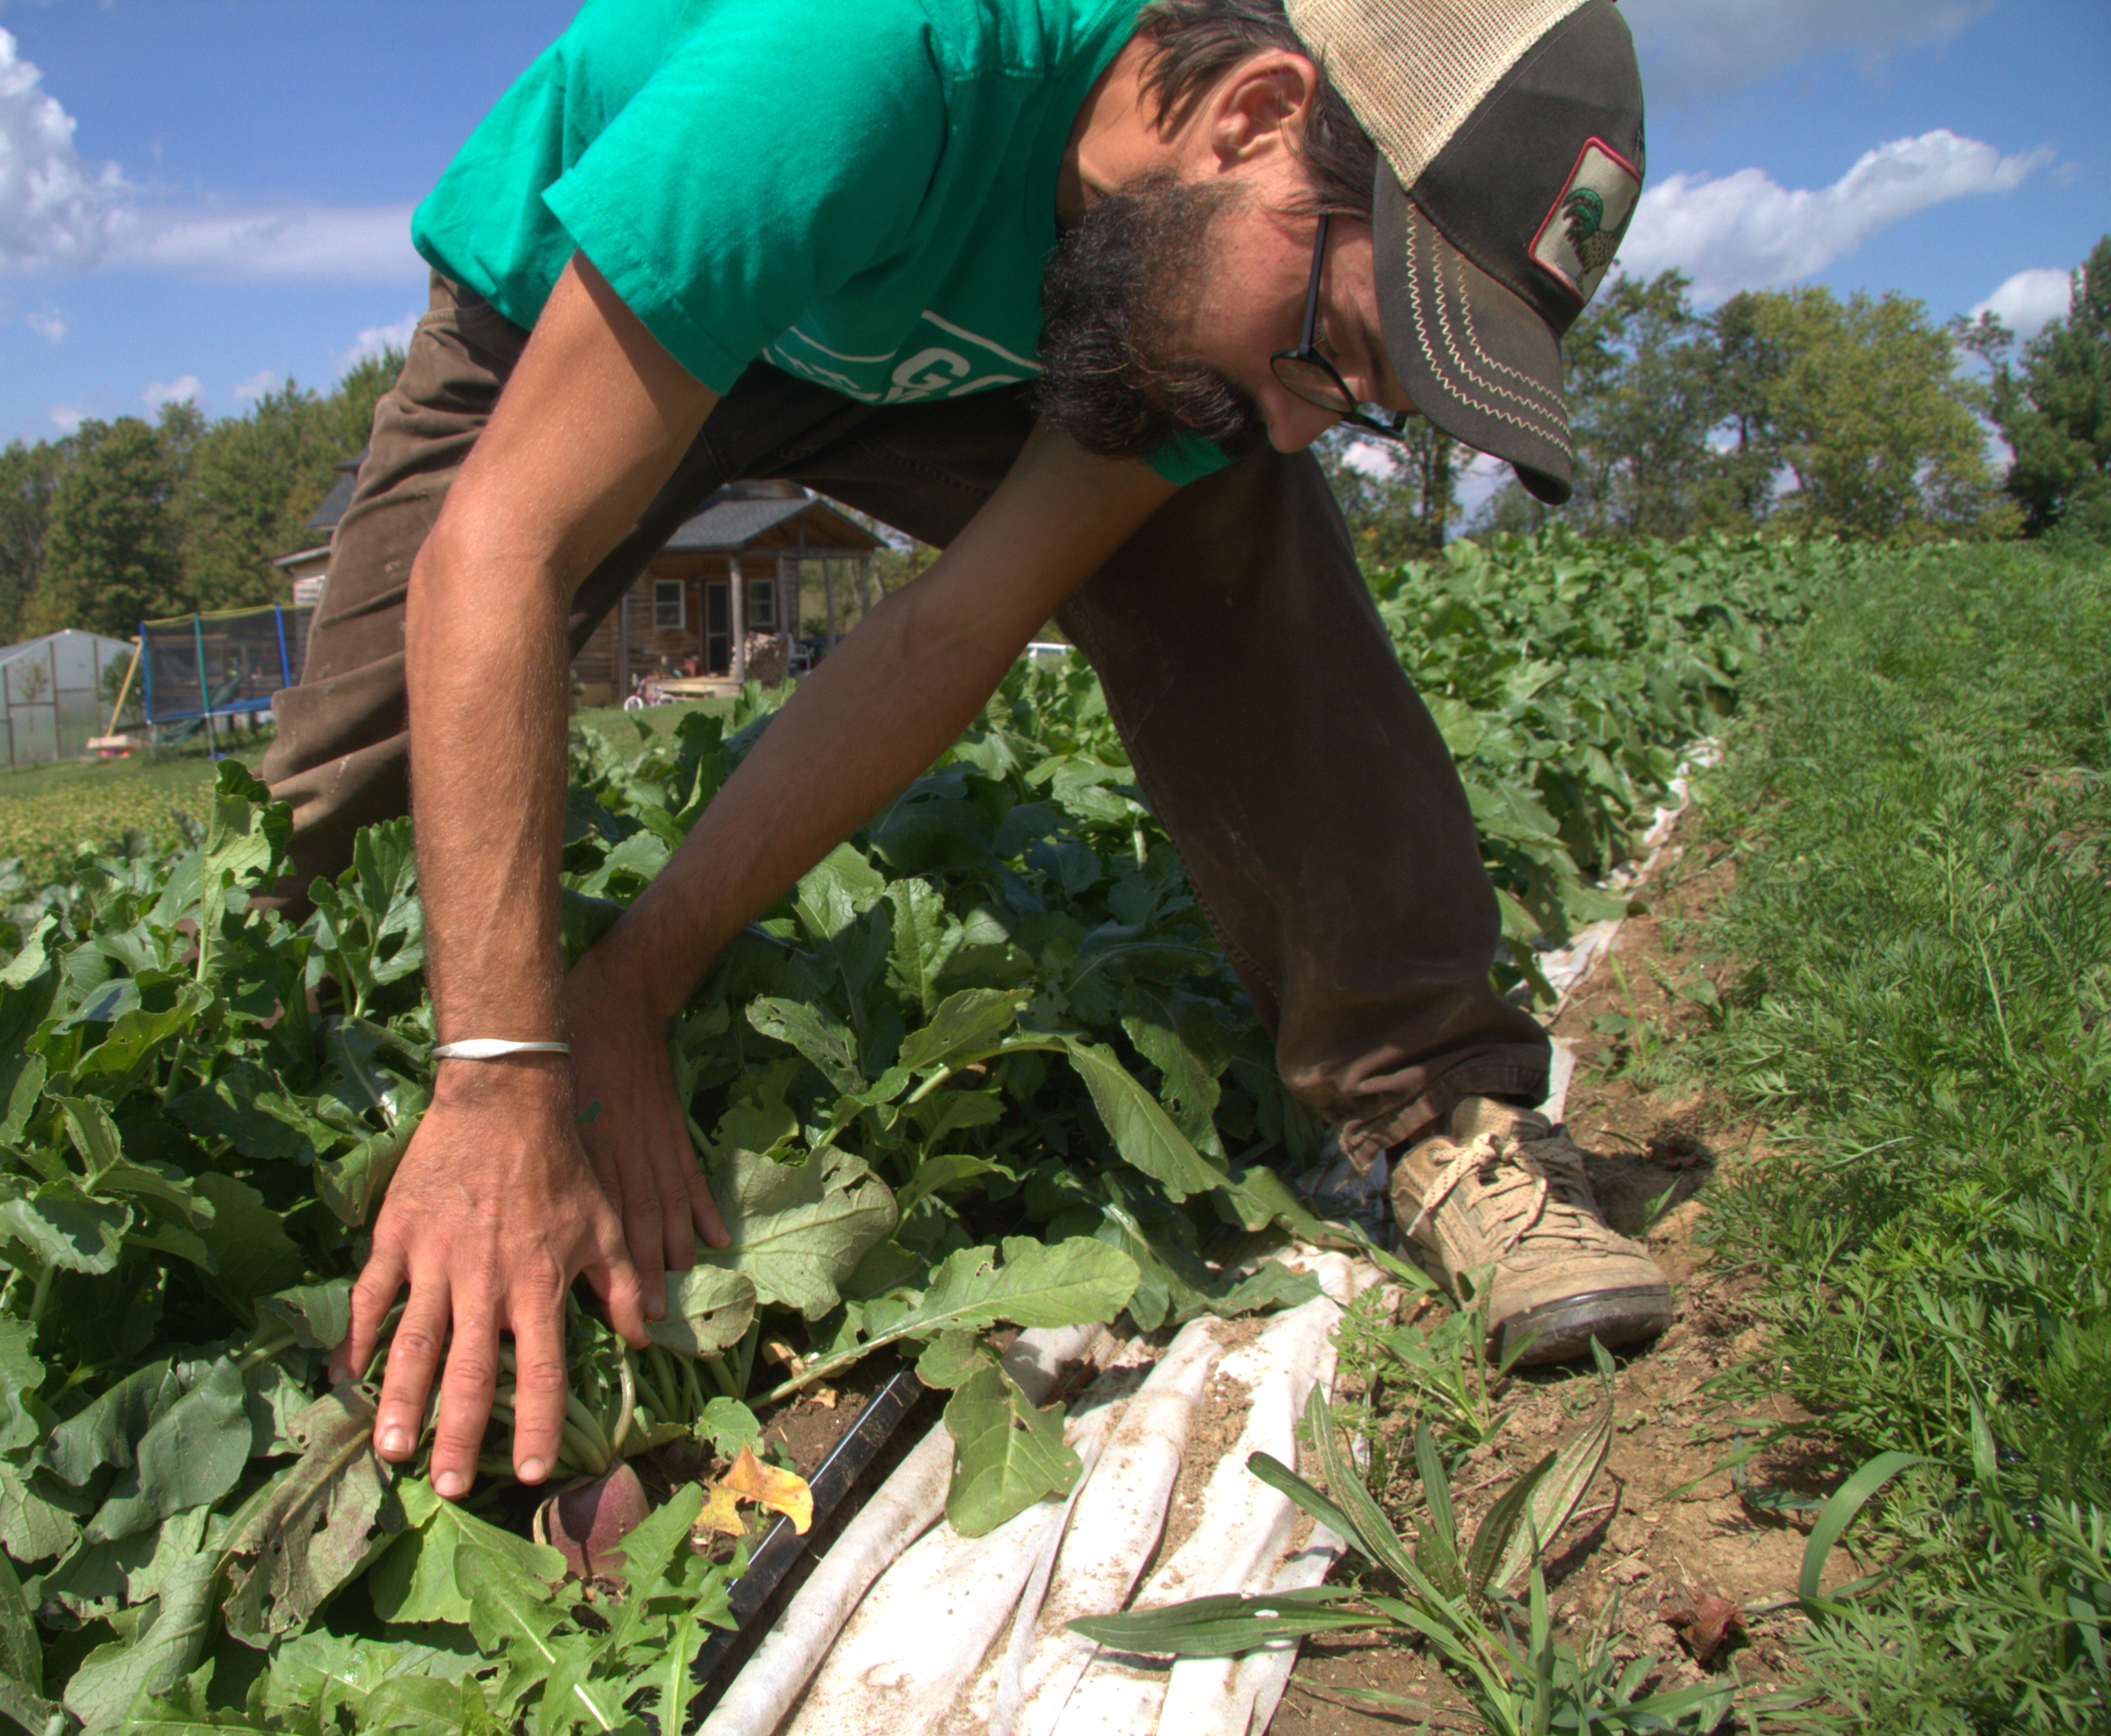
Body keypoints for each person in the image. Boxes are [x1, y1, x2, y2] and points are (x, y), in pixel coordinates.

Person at [258, 0, 1667, 1503]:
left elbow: (949, 631)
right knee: (351, 786)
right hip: (605, 271)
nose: (1308, 411)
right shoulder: (878, 50)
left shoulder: (1200, 289)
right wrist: (502, 1072)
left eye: (1367, 406)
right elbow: (502, 545)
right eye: (1335, 346)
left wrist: (633, 980)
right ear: (1254, 115)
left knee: (1235, 510)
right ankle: (291, 1136)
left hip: (978, 318)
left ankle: (1443, 1110)